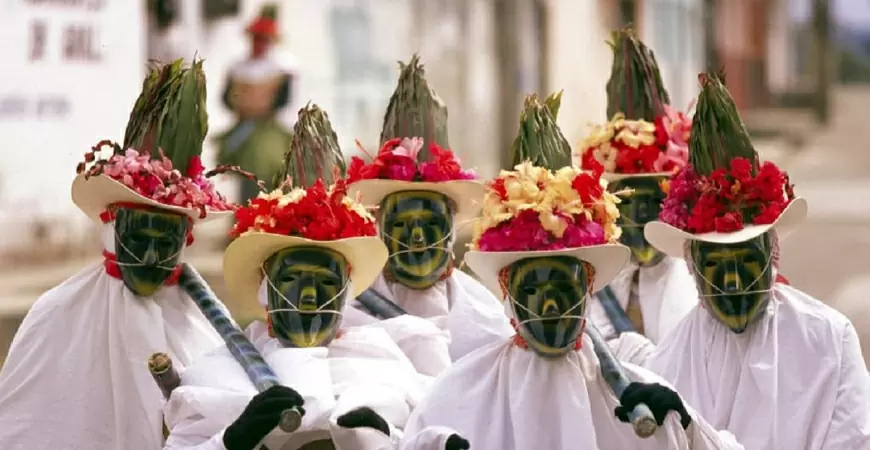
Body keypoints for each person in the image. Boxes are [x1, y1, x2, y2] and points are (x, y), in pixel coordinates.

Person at [397, 95, 743, 450]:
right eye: (533, 286)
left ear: (588, 287)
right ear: (508, 291)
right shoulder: (456, 395)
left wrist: (689, 426)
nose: (549, 305)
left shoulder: (633, 401)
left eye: (563, 284)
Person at [0, 59, 235, 449]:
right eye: (138, 238)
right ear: (111, 231)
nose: (148, 258)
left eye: (164, 242)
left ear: (184, 243)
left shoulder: (209, 327)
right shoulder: (55, 315)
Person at [644, 73, 870, 449]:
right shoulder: (668, 361)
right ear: (693, 266)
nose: (733, 281)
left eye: (746, 259)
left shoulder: (828, 338)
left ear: (772, 254)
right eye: (716, 263)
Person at [163, 174, 432, 450]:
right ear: (266, 291)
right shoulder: (217, 373)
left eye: (326, 282)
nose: (309, 296)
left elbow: (428, 437)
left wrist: (385, 435)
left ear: (345, 297)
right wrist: (233, 440)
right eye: (292, 280)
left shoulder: (385, 364)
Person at [343, 55, 511, 373]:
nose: (418, 237)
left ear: (451, 225)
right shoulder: (346, 316)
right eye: (402, 223)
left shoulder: (489, 321)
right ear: (379, 225)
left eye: (432, 223)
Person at [574, 28, 697, 366]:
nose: (641, 217)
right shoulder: (588, 282)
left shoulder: (698, 285)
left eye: (653, 203)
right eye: (629, 203)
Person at [216, 3, 296, 204]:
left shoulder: (281, 68)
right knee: (246, 175)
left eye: (264, 40)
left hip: (268, 129)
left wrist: (259, 106)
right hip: (243, 126)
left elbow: (283, 101)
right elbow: (225, 98)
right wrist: (242, 106)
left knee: (269, 167)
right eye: (256, 39)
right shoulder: (237, 67)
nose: (259, 44)